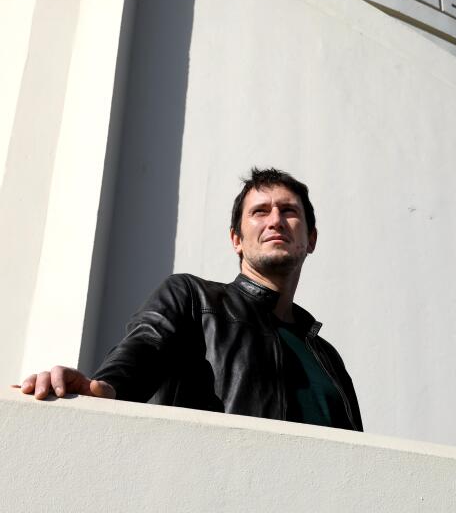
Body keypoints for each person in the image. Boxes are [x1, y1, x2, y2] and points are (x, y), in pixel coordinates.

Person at [19, 167, 362, 431]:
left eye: (289, 211)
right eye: (260, 212)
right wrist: (105, 388)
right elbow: (143, 349)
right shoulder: (194, 299)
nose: (275, 220)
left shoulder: (326, 357)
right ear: (236, 240)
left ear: (311, 238)